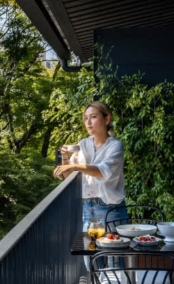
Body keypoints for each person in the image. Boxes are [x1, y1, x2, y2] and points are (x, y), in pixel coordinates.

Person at [53, 101, 127, 237]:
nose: (88, 122)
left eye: (93, 117)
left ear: (107, 119)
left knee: (113, 255)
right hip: (87, 208)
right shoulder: (83, 144)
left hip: (111, 209)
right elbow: (69, 177)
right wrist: (65, 158)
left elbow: (102, 171)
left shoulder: (115, 146)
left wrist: (74, 166)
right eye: (86, 118)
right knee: (89, 253)